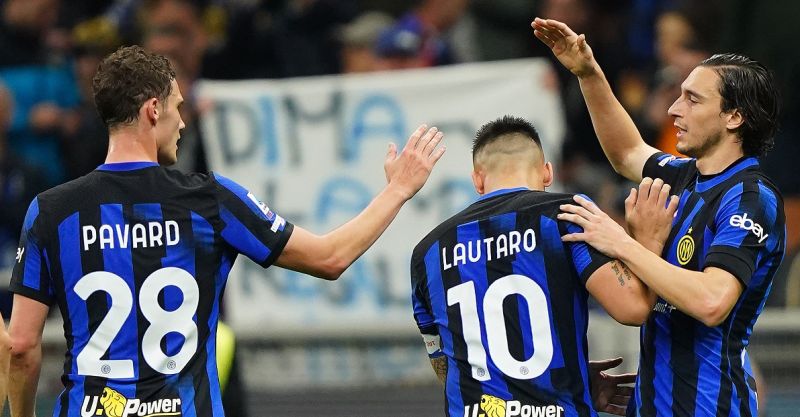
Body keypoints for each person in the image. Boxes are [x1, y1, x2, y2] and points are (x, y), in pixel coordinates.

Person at [6, 45, 445, 417]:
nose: (182, 122)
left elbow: (22, 346)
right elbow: (330, 257)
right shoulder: (211, 200)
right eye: (177, 107)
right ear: (153, 110)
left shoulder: (51, 211)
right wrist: (398, 189)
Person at [533, 17, 786, 417]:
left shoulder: (750, 197)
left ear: (734, 117)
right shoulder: (685, 176)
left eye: (692, 100)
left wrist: (624, 244)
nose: (673, 109)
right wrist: (588, 73)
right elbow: (626, 152)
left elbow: (712, 301)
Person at [410, 116, 677, 417]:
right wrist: (650, 242)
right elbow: (633, 308)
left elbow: (445, 367)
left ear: (478, 181)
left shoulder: (427, 253)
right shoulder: (567, 215)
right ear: (547, 173)